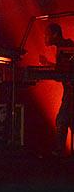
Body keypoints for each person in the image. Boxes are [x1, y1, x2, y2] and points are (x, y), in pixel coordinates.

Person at [40, 23, 74, 156]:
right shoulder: (63, 47)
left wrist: (48, 69)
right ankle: (60, 152)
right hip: (69, 91)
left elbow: (64, 72)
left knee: (62, 119)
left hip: (71, 90)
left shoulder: (66, 46)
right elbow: (63, 70)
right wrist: (48, 65)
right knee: (66, 119)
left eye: (46, 34)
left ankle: (59, 152)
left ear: (55, 34)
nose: (45, 37)